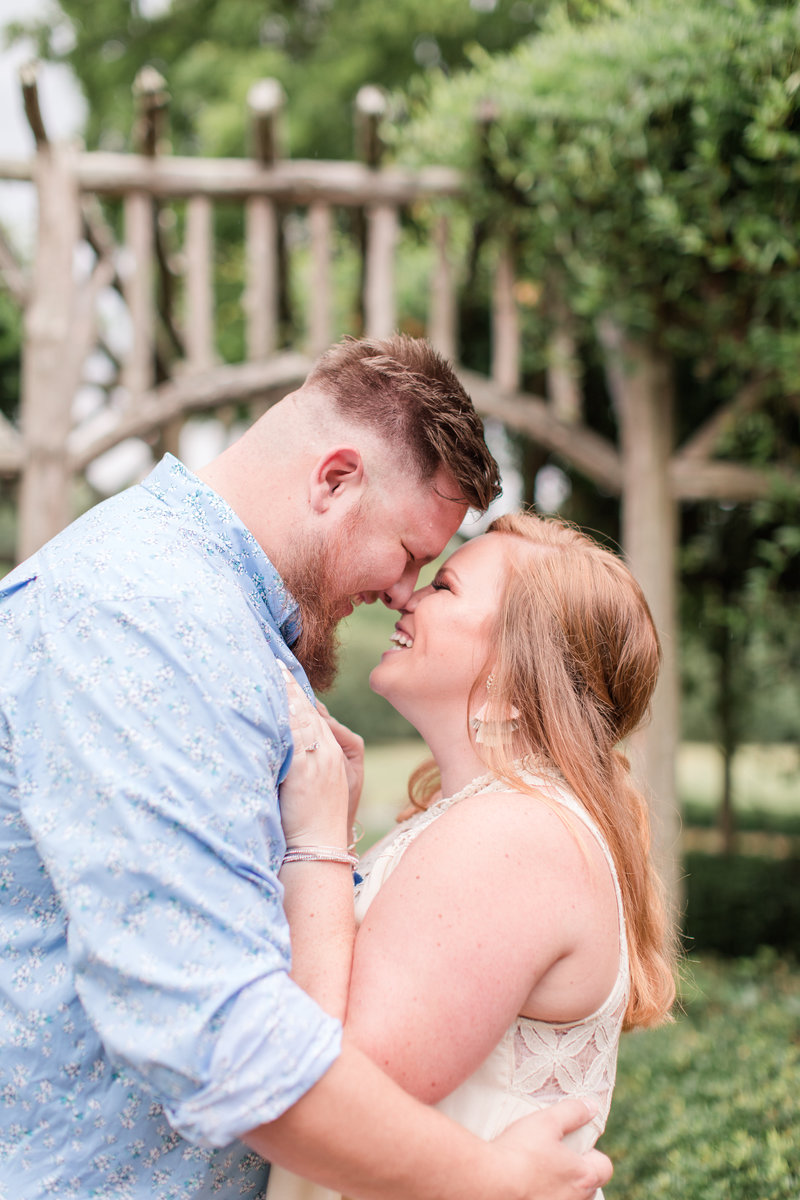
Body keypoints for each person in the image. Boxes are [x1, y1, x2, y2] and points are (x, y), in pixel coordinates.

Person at [0, 335, 612, 1200]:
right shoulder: (144, 616)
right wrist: (489, 1182)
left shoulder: (223, 622)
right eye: (410, 553)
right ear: (335, 480)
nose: (403, 592)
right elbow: (217, 1036)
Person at [266, 510, 677, 1200]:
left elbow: (331, 1082)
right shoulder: (484, 817)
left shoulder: (515, 833)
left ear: (515, 675)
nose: (407, 595)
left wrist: (319, 842)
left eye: (446, 586)